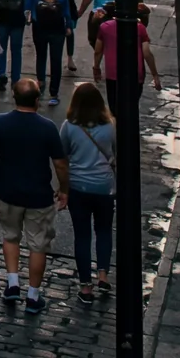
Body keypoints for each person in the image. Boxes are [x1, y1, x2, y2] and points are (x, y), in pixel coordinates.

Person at [0, 77, 68, 314]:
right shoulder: (47, 127)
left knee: (11, 236)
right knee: (38, 245)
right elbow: (60, 164)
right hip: (38, 195)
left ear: (14, 98)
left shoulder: (0, 123)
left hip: (8, 192)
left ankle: (13, 283)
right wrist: (64, 189)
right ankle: (33, 296)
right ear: (37, 100)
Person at [60, 81, 116, 305]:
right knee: (104, 230)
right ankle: (103, 273)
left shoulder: (69, 126)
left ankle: (85, 286)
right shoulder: (110, 125)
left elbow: (62, 157)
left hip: (79, 187)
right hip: (104, 186)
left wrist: (62, 187)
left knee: (82, 236)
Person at [94, 1, 162, 108]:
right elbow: (146, 53)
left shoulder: (105, 27)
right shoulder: (140, 28)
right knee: (131, 106)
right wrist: (155, 75)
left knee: (114, 106)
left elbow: (98, 51)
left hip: (113, 73)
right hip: (135, 73)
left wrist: (96, 68)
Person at [26, 0, 74, 105]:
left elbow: (27, 9)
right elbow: (66, 11)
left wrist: (31, 19)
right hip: (57, 29)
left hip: (39, 27)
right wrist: (68, 27)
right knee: (56, 60)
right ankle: (54, 93)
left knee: (41, 57)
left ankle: (40, 86)